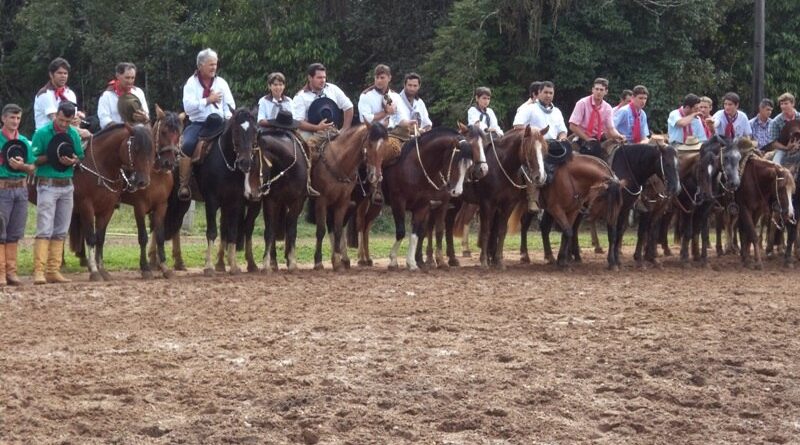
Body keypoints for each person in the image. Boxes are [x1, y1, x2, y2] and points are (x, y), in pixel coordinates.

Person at [30, 101, 84, 284]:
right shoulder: (42, 133)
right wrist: (53, 157)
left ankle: (53, 270)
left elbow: (79, 157)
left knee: (61, 229)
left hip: (67, 185)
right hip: (47, 184)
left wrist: (73, 160)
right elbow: (33, 158)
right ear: (57, 115)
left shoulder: (74, 134)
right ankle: (39, 270)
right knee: (44, 227)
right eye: (61, 120)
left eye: (68, 122)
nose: (64, 125)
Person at [178, 48, 235, 200]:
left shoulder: (221, 82)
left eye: (215, 64)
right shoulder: (191, 83)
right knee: (187, 145)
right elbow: (188, 107)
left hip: (221, 123)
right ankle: (184, 185)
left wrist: (229, 119)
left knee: (239, 143)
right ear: (201, 65)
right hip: (199, 123)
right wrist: (208, 100)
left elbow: (230, 105)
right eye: (210, 64)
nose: (214, 68)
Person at [257, 71, 318, 196]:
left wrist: (287, 124)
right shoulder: (264, 101)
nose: (278, 87)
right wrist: (275, 123)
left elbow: (294, 119)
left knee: (305, 146)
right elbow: (261, 120)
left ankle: (307, 182)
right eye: (275, 85)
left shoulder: (289, 101)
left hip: (286, 132)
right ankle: (257, 183)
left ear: (284, 86)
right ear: (269, 86)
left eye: (280, 84)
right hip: (269, 133)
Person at [0, 104, 36, 285]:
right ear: (3, 118)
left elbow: (32, 167)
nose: (15, 121)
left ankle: (11, 272)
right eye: (12, 118)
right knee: (0, 230)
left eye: (18, 118)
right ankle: (0, 272)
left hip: (21, 189)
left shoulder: (23, 141)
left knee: (15, 231)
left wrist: (22, 166)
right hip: (2, 188)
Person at [294, 62, 354, 141]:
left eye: (324, 77)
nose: (323, 80)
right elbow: (298, 122)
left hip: (332, 130)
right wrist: (317, 128)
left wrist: (345, 129)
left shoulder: (333, 89)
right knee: (305, 145)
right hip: (309, 132)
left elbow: (348, 107)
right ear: (310, 78)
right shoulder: (300, 96)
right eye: (319, 77)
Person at [33, 57, 90, 138]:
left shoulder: (70, 93)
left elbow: (72, 118)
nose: (63, 76)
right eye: (59, 73)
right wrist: (80, 131)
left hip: (69, 134)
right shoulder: (45, 94)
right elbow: (56, 121)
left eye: (65, 73)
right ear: (51, 75)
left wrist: (78, 120)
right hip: (47, 137)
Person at [568, 77, 625, 142]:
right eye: (597, 89)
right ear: (592, 90)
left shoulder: (608, 108)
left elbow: (611, 129)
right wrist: (587, 139)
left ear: (606, 92)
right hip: (581, 136)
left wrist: (619, 136)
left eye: (601, 90)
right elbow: (572, 126)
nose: (598, 92)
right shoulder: (582, 103)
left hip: (599, 137)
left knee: (616, 146)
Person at [97, 62, 149, 128]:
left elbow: (146, 114)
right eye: (127, 78)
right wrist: (123, 129)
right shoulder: (107, 96)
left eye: (132, 78)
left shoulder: (138, 92)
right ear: (118, 76)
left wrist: (144, 117)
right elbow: (104, 120)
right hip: (116, 135)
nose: (130, 81)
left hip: (138, 133)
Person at [357, 64, 402, 128]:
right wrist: (385, 112)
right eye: (377, 77)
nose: (379, 80)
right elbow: (365, 119)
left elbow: (401, 117)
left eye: (382, 77)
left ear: (389, 78)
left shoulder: (396, 96)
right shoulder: (366, 95)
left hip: (393, 133)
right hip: (373, 133)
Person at [769, 93, 800, 165]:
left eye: (786, 103)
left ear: (793, 104)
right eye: (781, 104)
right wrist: (786, 148)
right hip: (782, 148)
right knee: (776, 164)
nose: (783, 106)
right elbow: (773, 142)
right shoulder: (775, 122)